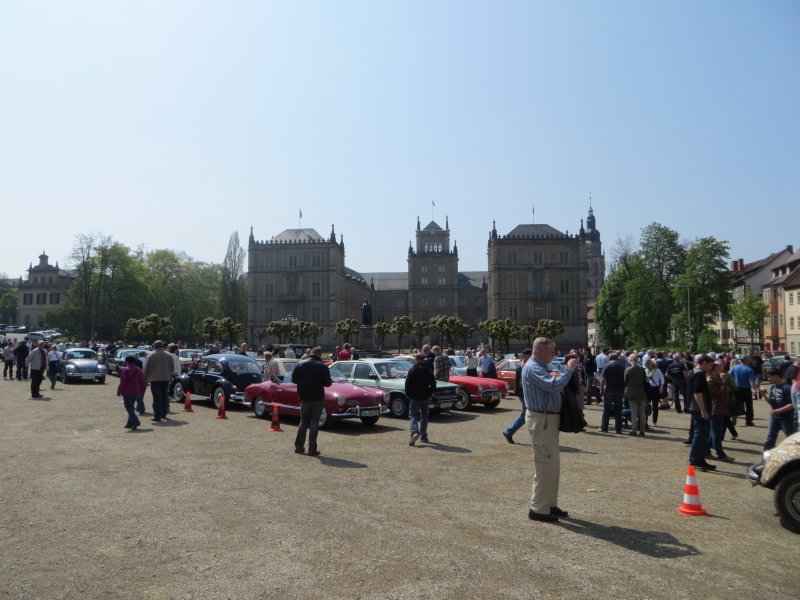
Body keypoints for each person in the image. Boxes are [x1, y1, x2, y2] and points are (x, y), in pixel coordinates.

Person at [522, 337, 578, 523]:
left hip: (548, 418)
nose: (554, 355)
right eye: (552, 351)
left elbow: (555, 379)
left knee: (552, 465)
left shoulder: (542, 365)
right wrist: (568, 369)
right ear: (542, 350)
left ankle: (549, 504)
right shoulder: (533, 367)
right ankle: (538, 508)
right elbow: (555, 384)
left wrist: (562, 371)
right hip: (542, 418)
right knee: (545, 464)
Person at [291, 346, 332, 456]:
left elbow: (293, 380)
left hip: (304, 397)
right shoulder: (323, 367)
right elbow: (328, 383)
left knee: (303, 421)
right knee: (314, 422)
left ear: (311, 353)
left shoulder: (300, 364)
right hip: (317, 397)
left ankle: (299, 447)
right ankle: (312, 449)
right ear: (320, 355)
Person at [687, 354, 717, 472]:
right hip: (699, 409)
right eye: (709, 365)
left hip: (696, 408)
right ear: (703, 363)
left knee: (702, 436)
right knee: (700, 435)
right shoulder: (699, 374)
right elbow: (697, 393)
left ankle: (700, 460)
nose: (710, 368)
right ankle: (694, 461)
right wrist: (703, 410)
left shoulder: (693, 372)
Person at [405, 353, 437, 446]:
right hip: (425, 397)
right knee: (424, 417)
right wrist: (429, 393)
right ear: (424, 360)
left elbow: (407, 384)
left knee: (413, 416)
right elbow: (433, 384)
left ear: (416, 359)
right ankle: (423, 436)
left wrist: (409, 395)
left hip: (414, 397)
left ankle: (414, 432)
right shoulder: (428, 370)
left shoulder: (412, 370)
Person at [503, 348, 532, 443]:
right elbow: (522, 382)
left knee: (527, 414)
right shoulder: (525, 364)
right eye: (531, 355)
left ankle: (509, 431)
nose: (532, 356)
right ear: (527, 355)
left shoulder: (522, 363)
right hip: (523, 392)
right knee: (525, 415)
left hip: (521, 392)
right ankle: (509, 431)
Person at [143, 340, 176, 423]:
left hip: (154, 379)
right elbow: (172, 367)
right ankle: (163, 414)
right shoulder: (169, 355)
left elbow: (146, 368)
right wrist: (170, 376)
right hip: (165, 379)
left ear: (155, 346)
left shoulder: (151, 355)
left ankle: (157, 416)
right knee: (164, 396)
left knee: (156, 398)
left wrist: (145, 378)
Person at [707, 361, 734, 462]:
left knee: (713, 432)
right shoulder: (710, 381)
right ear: (713, 370)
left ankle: (706, 451)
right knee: (716, 433)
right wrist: (723, 383)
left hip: (720, 408)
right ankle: (720, 454)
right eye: (718, 368)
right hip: (715, 409)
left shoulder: (716, 378)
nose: (721, 369)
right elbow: (719, 393)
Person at [763, 368, 796, 450]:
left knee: (792, 438)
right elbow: (772, 402)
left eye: (770, 377)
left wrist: (778, 411)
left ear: (776, 376)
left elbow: (792, 404)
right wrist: (763, 395)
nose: (768, 379)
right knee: (770, 438)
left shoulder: (787, 387)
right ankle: (766, 459)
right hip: (775, 418)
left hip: (787, 418)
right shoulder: (773, 387)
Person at [117, 355, 146, 430]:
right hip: (136, 391)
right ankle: (130, 424)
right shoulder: (138, 369)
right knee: (131, 407)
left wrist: (119, 390)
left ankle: (135, 421)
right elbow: (142, 381)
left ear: (127, 361)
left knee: (128, 407)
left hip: (127, 391)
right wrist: (142, 390)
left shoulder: (125, 369)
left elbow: (122, 382)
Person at [599, 352, 625, 434]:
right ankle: (618, 429)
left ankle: (604, 428)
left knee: (606, 409)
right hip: (619, 390)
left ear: (609, 359)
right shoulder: (622, 367)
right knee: (618, 410)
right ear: (617, 359)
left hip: (609, 389)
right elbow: (625, 379)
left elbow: (603, 379)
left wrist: (601, 389)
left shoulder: (607, 366)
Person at [730, 357, 758, 426]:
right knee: (749, 406)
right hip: (746, 389)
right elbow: (751, 381)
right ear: (746, 360)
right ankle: (748, 421)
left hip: (736, 389)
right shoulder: (749, 369)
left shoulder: (734, 368)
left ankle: (734, 419)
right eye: (749, 359)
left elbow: (729, 376)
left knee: (736, 405)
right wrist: (754, 391)